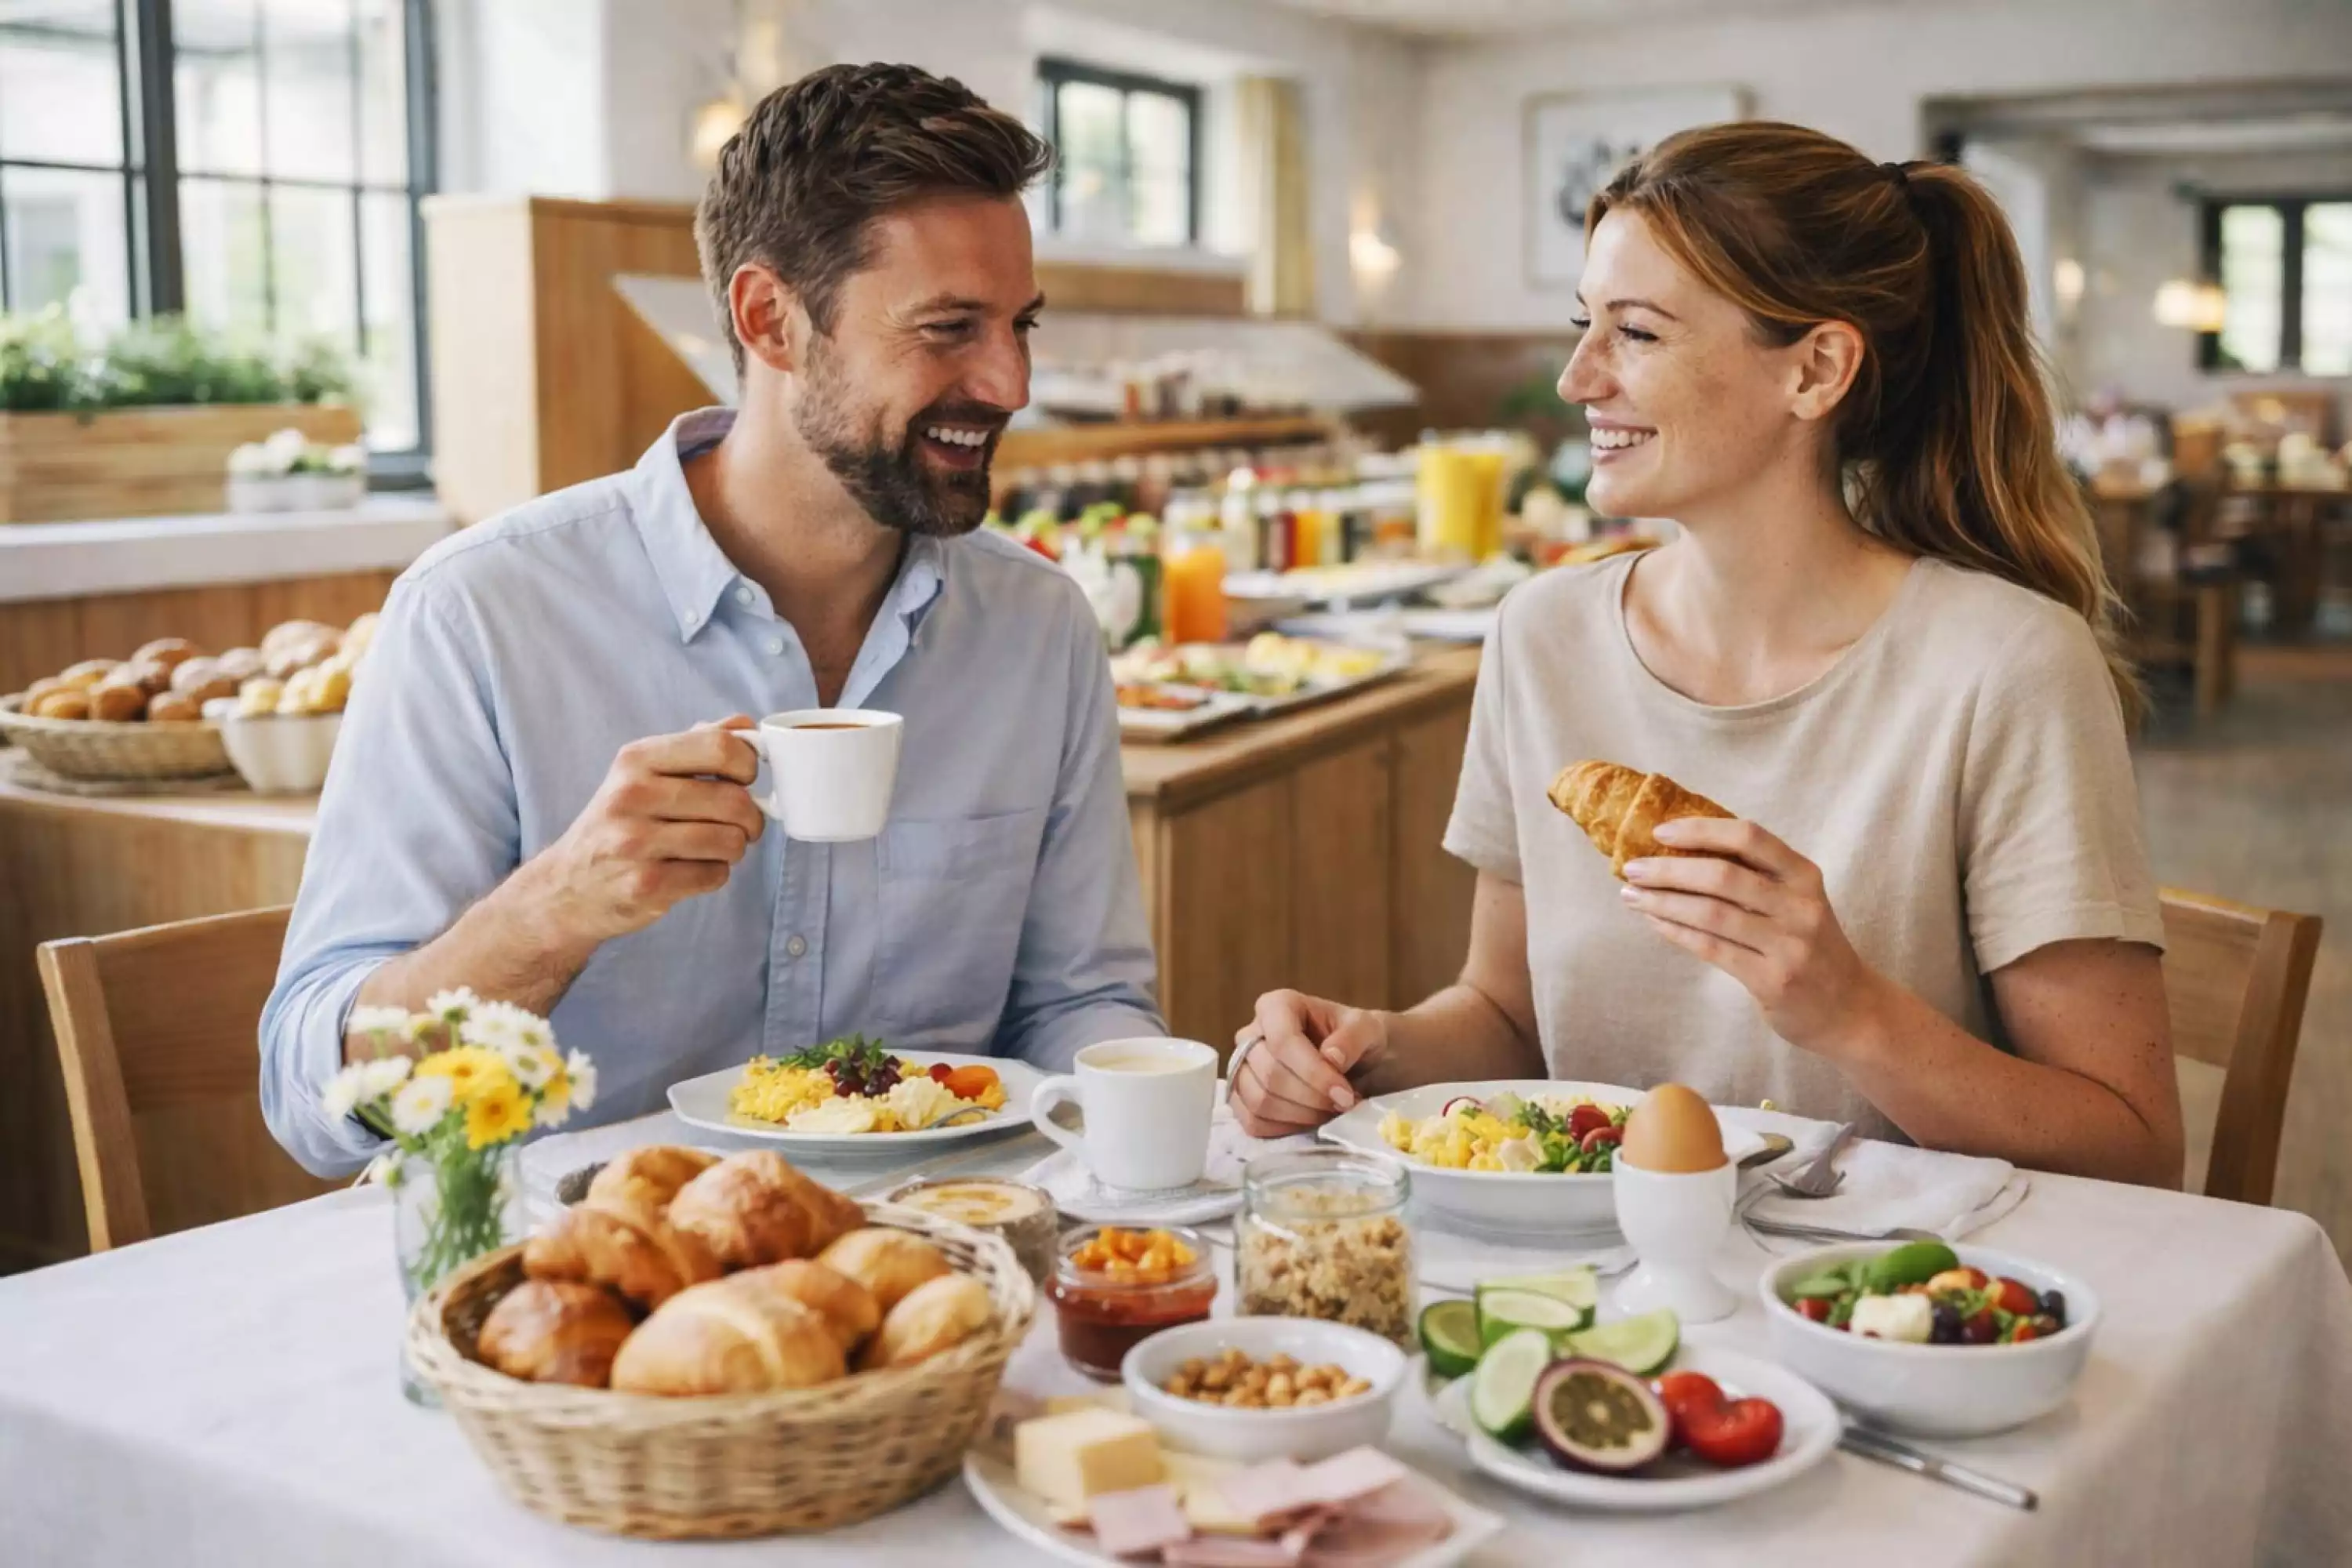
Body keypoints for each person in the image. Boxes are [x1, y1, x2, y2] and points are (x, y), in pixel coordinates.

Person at [1230, 122, 2183, 1188]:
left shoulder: (2006, 667)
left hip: (1874, 1310)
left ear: (1816, 369)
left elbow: (2131, 1147)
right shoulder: (1540, 635)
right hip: (1596, 1286)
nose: (1577, 380)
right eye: (1583, 325)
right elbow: (1508, 1019)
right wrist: (1361, 1047)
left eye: (1635, 334)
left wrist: (1851, 1010)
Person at [262, 64, 1162, 1177]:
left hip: (935, 1282)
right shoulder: (481, 615)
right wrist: (554, 909)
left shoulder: (1039, 628)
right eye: (949, 328)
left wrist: (1162, 1112)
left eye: (1020, 325)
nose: (1011, 381)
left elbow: (1084, 1004)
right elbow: (316, 1096)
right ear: (769, 320)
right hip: (585, 1297)